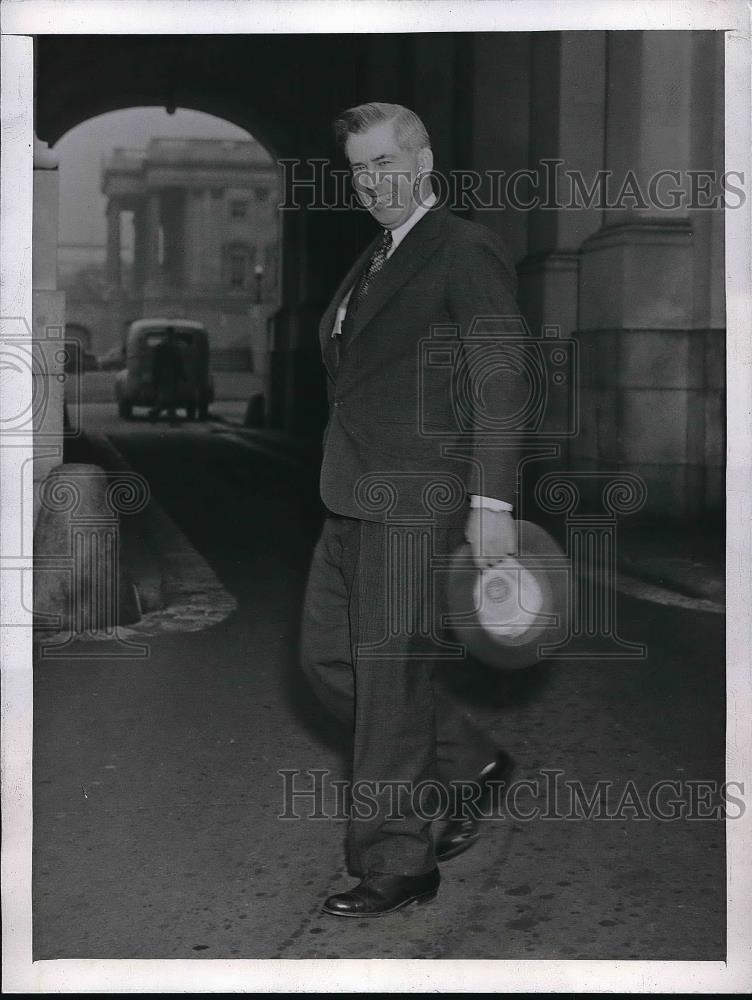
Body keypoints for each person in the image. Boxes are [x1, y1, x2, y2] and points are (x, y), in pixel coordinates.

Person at [300, 103, 528, 917]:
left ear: (425, 161)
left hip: (415, 499)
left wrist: (491, 498)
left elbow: (500, 375)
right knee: (329, 663)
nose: (375, 182)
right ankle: (466, 762)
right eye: (361, 169)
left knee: (388, 686)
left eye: (388, 163)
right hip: (351, 494)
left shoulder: (462, 248)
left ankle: (400, 862)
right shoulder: (377, 255)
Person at [149, 327, 184, 421]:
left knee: (163, 393)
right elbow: (178, 362)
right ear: (172, 334)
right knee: (171, 394)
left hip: (161, 373)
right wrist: (182, 375)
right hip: (171, 373)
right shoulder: (175, 346)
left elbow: (155, 362)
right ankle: (160, 411)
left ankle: (165, 411)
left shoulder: (160, 346)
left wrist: (154, 375)